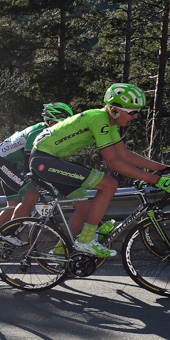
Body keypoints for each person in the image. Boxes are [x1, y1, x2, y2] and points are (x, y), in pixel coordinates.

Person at [30, 83, 170, 258]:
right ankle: (86, 240)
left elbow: (124, 154)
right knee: (109, 184)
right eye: (132, 112)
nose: (135, 117)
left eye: (137, 112)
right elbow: (113, 162)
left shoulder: (108, 122)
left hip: (49, 160)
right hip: (44, 161)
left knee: (85, 207)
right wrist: (155, 179)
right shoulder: (98, 118)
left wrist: (163, 168)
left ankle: (60, 252)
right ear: (114, 109)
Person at [0, 103, 73, 242]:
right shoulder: (37, 132)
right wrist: (52, 184)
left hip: (8, 163)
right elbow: (31, 167)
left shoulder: (49, 132)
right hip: (2, 163)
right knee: (32, 197)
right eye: (63, 123)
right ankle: (8, 234)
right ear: (51, 122)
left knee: (13, 204)